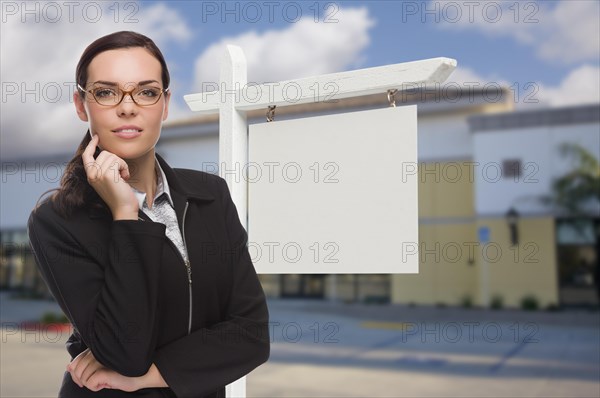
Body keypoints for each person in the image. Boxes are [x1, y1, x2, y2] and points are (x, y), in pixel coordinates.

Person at [27, 31, 270, 397]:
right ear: (81, 105)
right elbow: (125, 351)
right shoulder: (57, 221)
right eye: (106, 92)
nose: (127, 107)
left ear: (165, 103)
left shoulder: (211, 195)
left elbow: (251, 335)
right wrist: (126, 213)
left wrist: (150, 375)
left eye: (146, 91)